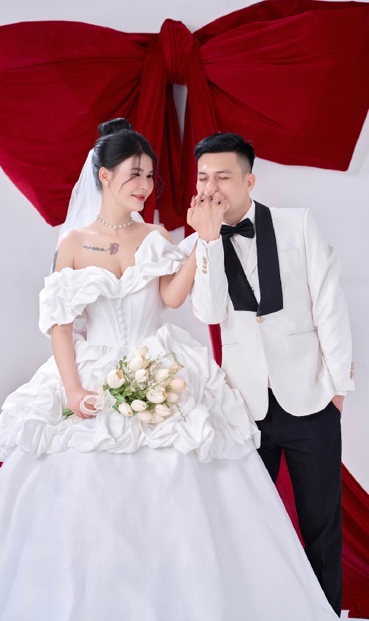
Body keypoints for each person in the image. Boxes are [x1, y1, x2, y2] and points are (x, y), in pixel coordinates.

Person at [0, 119, 340, 621]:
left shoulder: (156, 235)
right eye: (134, 174)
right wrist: (73, 391)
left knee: (183, 484)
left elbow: (170, 297)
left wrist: (203, 244)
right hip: (93, 372)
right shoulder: (73, 242)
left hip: (157, 363)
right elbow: (60, 326)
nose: (145, 185)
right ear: (104, 175)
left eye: (149, 175)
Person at [187, 131, 355, 617]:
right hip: (244, 408)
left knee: (321, 524)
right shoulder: (199, 243)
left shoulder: (297, 224)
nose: (211, 188)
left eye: (222, 176)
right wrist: (208, 242)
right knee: (251, 528)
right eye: (203, 178)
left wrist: (338, 390)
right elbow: (209, 312)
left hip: (310, 400)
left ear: (249, 180)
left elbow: (330, 305)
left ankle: (326, 613)